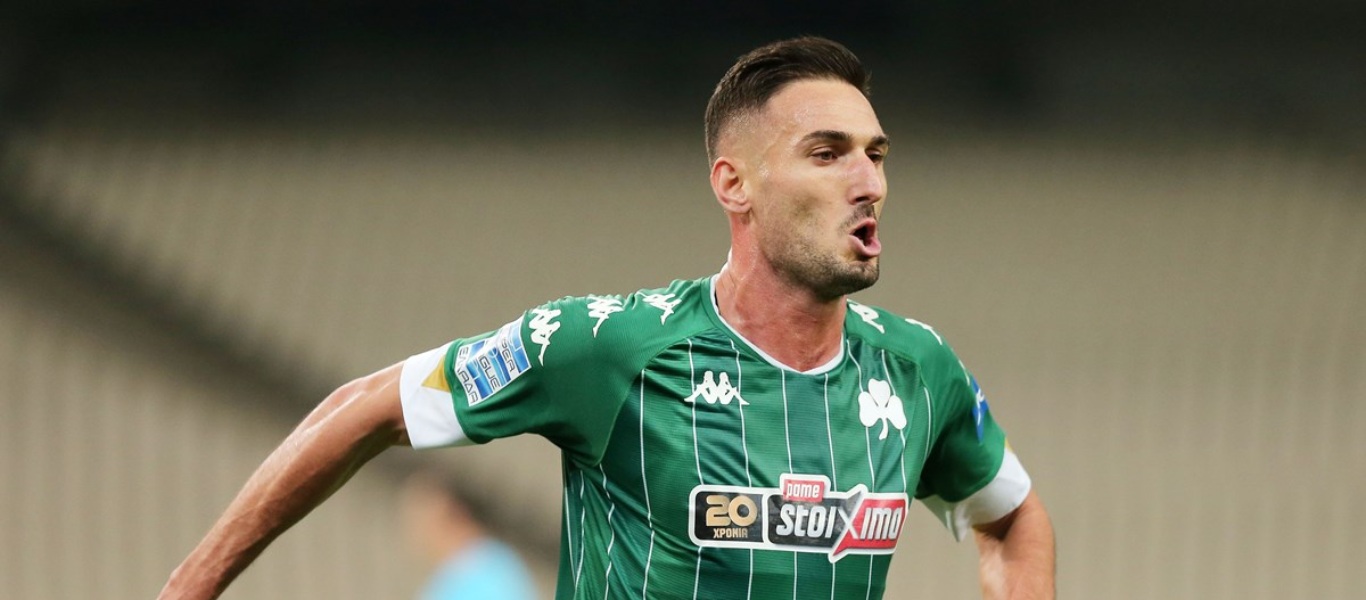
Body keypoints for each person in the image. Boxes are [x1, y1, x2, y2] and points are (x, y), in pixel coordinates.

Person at [159, 36, 1055, 600]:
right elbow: (364, 407)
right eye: (827, 154)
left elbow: (1013, 518)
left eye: (876, 154)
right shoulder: (608, 346)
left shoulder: (917, 370)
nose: (868, 182)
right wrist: (189, 589)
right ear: (733, 184)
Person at [400, 470, 539, 600]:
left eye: (424, 520)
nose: (418, 533)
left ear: (456, 513)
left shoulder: (493, 571)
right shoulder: (447, 577)